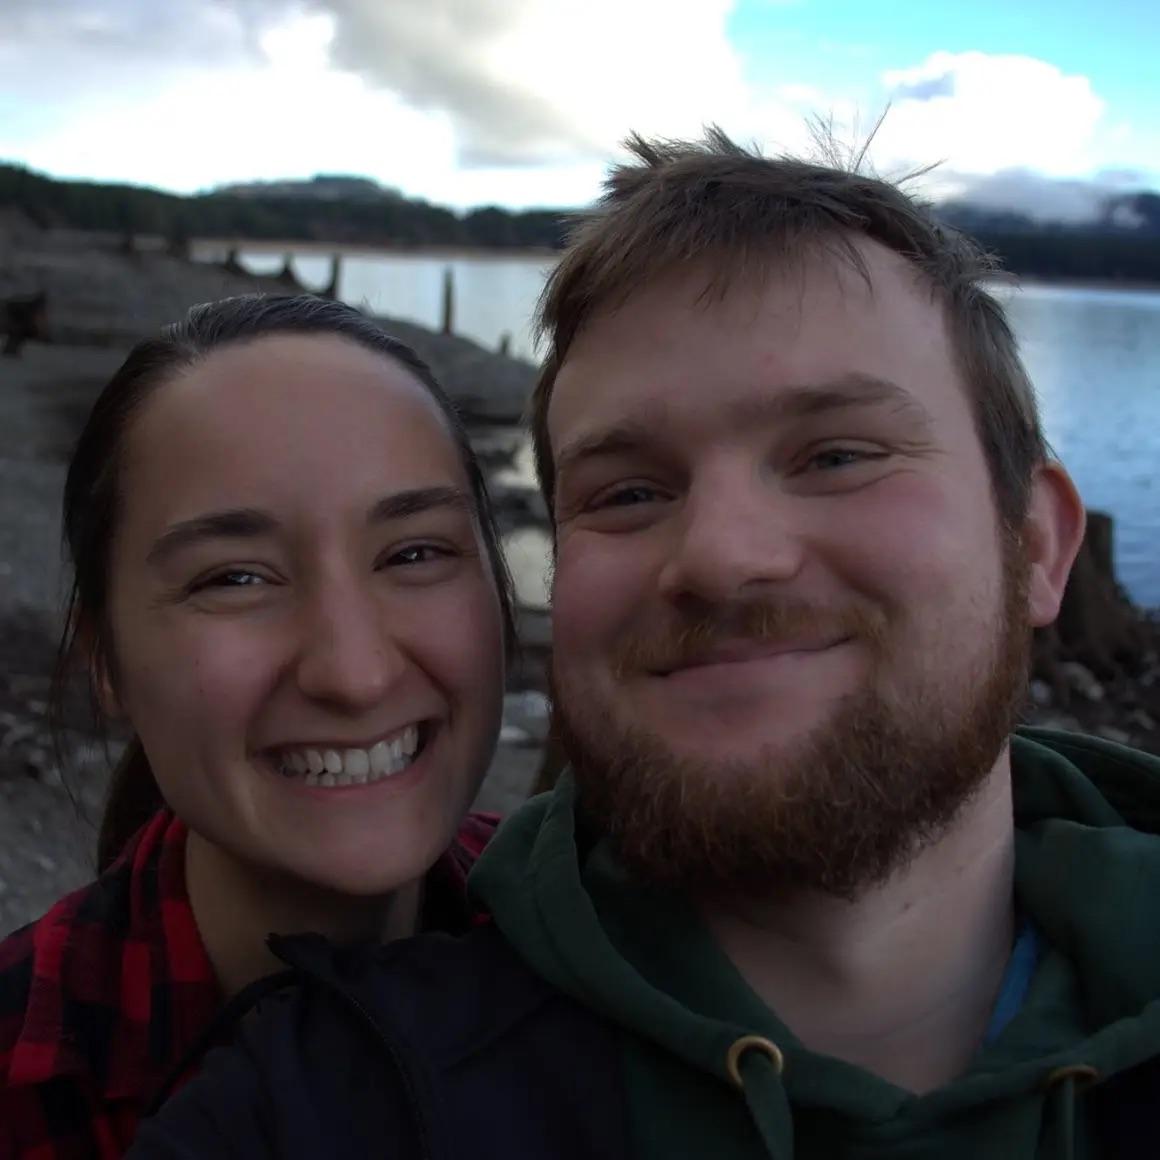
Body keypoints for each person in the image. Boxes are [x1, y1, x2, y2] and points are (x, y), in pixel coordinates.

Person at [130, 134, 1160, 1159]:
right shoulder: (322, 1106)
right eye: (627, 491)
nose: (718, 555)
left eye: (835, 454)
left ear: (1033, 541)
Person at [0, 293, 515, 1159]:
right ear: (106, 659)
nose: (356, 674)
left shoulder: (618, 967)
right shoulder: (29, 1070)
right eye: (237, 578)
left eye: (416, 553)